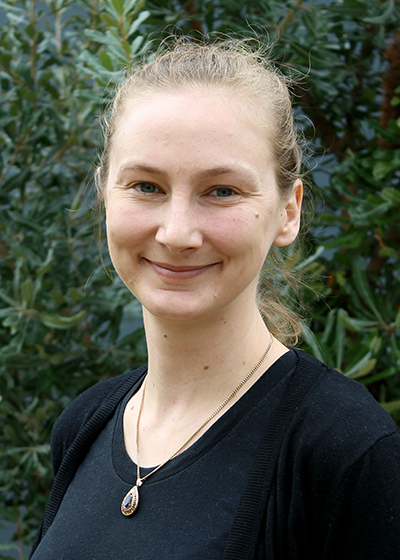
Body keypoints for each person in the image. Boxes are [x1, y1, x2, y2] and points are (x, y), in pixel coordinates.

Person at [30, 39, 400, 559]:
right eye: (145, 186)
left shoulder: (345, 449)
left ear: (287, 211)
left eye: (221, 191)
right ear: (104, 194)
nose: (177, 233)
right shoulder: (83, 427)